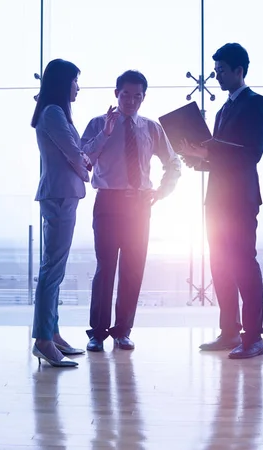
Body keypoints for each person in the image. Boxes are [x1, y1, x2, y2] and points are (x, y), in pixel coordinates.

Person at [177, 43, 263, 359]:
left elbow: (250, 154)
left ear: (238, 71)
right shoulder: (222, 111)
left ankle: (253, 337)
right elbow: (220, 158)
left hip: (240, 199)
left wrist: (209, 152)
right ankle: (229, 331)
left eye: (220, 71)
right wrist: (199, 158)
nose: (215, 76)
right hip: (216, 199)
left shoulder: (256, 104)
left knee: (244, 264)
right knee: (219, 265)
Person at [80, 70, 181, 352]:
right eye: (126, 94)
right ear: (116, 94)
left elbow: (173, 162)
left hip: (140, 203)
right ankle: (97, 333)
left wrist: (163, 190)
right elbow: (83, 157)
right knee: (106, 268)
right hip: (108, 202)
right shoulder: (98, 123)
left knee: (133, 269)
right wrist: (106, 132)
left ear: (143, 98)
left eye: (138, 96)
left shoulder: (151, 128)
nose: (131, 101)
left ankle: (123, 331)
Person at [30, 58, 92, 367]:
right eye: (75, 81)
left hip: (62, 195)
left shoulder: (56, 113)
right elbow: (74, 152)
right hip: (59, 195)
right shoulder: (53, 112)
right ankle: (43, 339)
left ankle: (51, 334)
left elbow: (77, 150)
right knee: (52, 270)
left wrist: (84, 158)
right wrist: (84, 168)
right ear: (63, 82)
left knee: (55, 269)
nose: (78, 87)